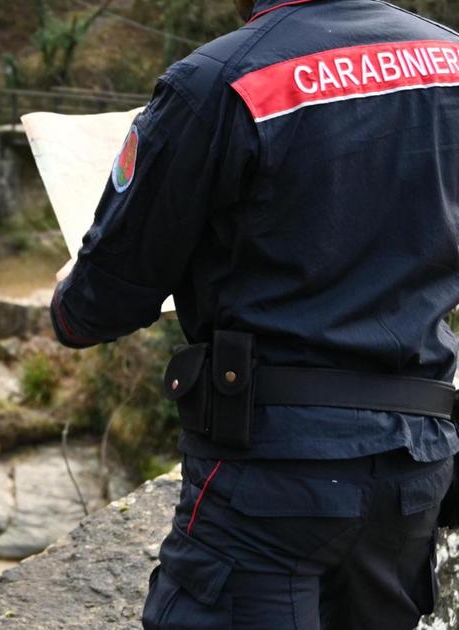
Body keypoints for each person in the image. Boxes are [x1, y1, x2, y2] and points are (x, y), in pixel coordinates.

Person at [49, 0, 459, 627]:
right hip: (417, 465)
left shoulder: (216, 81)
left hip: (270, 481)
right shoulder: (448, 60)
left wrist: (72, 291)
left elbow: (96, 308)